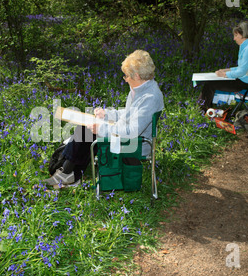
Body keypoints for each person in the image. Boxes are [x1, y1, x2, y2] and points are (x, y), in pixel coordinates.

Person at [44, 49, 164, 187]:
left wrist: (102, 128)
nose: (125, 80)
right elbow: (129, 114)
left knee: (87, 130)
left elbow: (133, 131)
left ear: (136, 76)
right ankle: (68, 172)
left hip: (135, 144)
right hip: (128, 136)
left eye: (126, 76)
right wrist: (106, 114)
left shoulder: (150, 97)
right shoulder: (141, 89)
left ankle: (68, 173)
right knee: (86, 127)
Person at [198, 21, 248, 111]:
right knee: (210, 82)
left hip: (246, 81)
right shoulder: (246, 46)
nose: (234, 39)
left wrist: (223, 75)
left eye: (235, 35)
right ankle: (206, 109)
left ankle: (201, 111)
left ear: (242, 35)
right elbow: (241, 67)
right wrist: (226, 70)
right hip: (243, 79)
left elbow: (242, 71)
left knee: (209, 84)